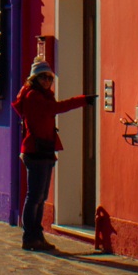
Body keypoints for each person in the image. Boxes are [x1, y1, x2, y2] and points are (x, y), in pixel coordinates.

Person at [12, 59, 96, 252]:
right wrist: (83, 100)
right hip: (36, 152)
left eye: (49, 77)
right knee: (34, 197)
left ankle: (36, 235)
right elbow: (56, 109)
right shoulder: (34, 96)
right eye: (43, 77)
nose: (47, 81)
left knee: (39, 197)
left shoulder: (42, 95)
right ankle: (30, 236)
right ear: (35, 79)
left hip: (44, 150)